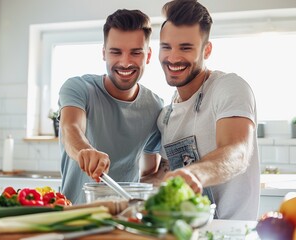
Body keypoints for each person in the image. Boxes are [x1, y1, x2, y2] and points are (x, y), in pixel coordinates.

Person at [156, 0, 260, 220]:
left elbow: (237, 151)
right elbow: (165, 175)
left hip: (232, 233)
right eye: (166, 47)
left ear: (207, 49)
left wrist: (195, 173)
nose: (173, 58)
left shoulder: (228, 87)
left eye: (186, 48)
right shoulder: (165, 116)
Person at [58, 9, 164, 204]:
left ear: (148, 56)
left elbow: (150, 168)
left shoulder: (155, 106)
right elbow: (70, 128)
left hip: (125, 217)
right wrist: (84, 151)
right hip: (72, 214)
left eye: (136, 52)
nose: (125, 62)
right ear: (104, 53)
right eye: (116, 52)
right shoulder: (79, 88)